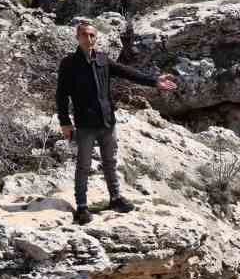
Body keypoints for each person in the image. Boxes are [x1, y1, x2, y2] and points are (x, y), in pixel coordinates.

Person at [56, 21, 177, 225]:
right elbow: (61, 95)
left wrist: (154, 81)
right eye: (85, 35)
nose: (89, 39)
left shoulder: (103, 59)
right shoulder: (69, 63)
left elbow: (127, 72)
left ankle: (116, 198)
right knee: (83, 166)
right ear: (78, 37)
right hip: (85, 124)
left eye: (93, 35)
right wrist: (65, 122)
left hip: (107, 121)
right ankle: (82, 207)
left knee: (110, 162)